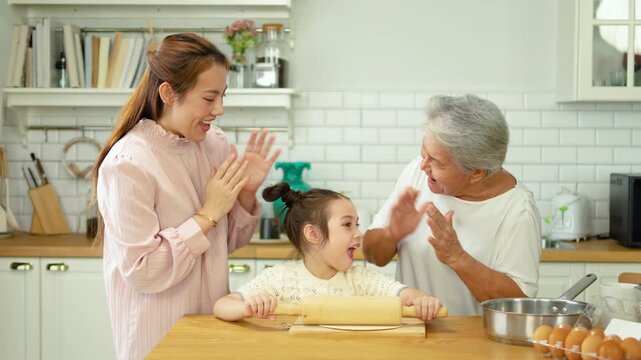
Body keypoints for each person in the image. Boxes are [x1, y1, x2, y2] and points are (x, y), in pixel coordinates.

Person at [92, 33, 281, 360]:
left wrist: (246, 194)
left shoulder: (214, 145)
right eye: (209, 99)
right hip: (157, 339)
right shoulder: (128, 163)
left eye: (223, 96)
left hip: (214, 332)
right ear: (168, 93)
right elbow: (143, 271)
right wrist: (207, 214)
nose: (219, 110)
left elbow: (225, 243)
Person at [362, 94, 541, 316]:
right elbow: (372, 254)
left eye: (436, 161)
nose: (424, 165)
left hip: (474, 343)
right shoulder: (416, 174)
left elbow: (519, 306)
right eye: (424, 153)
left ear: (476, 172)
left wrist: (457, 257)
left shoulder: (517, 210)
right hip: (413, 334)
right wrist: (391, 234)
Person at [213, 183, 443, 322]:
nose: (358, 234)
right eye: (347, 225)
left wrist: (423, 302)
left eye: (357, 224)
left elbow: (408, 295)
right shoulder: (279, 279)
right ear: (313, 234)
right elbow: (222, 306)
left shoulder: (360, 279)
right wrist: (248, 307)